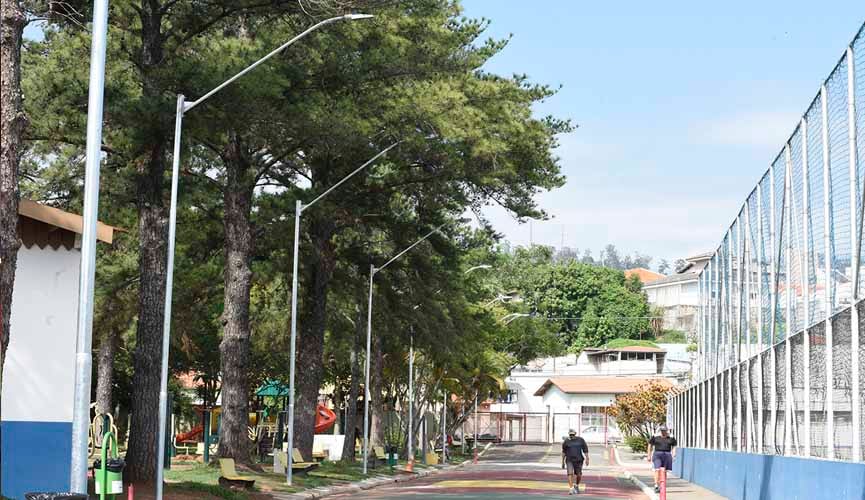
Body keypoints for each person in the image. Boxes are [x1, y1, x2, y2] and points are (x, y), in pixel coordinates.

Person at [647, 425, 677, 493]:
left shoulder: (671, 437)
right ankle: (656, 486)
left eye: (664, 430)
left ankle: (662, 485)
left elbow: (674, 446)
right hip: (657, 454)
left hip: (667, 454)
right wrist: (648, 455)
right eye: (662, 431)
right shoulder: (655, 436)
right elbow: (650, 445)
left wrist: (674, 455)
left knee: (664, 471)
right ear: (660, 431)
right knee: (657, 470)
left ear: (666, 430)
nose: (663, 432)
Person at [562, 429, 589, 495]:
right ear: (569, 434)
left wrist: (587, 458)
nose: (571, 436)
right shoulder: (566, 441)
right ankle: (571, 488)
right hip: (569, 460)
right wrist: (562, 461)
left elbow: (585, 449)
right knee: (570, 473)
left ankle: (576, 485)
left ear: (575, 434)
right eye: (570, 435)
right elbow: (563, 452)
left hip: (579, 460)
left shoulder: (580, 440)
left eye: (573, 434)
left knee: (579, 474)